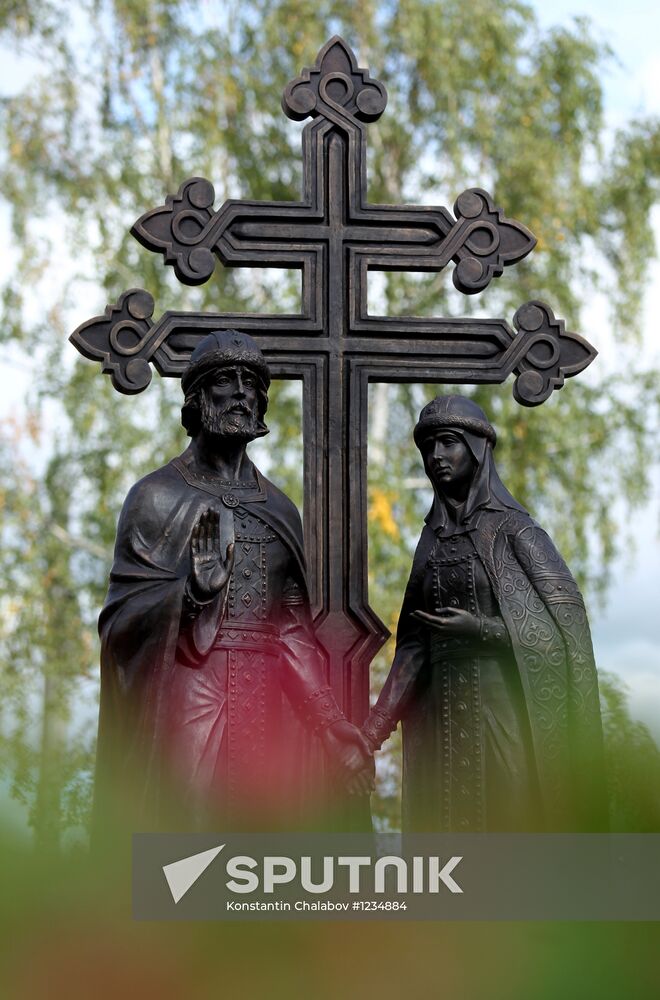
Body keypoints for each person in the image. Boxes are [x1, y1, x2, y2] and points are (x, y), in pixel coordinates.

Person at [94, 329, 373, 832]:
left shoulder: (279, 509)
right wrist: (191, 595)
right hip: (190, 704)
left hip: (265, 703)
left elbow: (291, 630)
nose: (243, 392)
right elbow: (120, 625)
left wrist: (330, 722)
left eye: (254, 383)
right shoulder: (155, 498)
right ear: (198, 400)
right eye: (227, 380)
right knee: (189, 849)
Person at [362, 395, 607, 832]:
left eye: (448, 443)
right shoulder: (431, 542)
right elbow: (413, 646)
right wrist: (373, 732)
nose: (437, 456)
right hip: (443, 719)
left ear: (477, 450)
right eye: (429, 446)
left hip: (504, 715)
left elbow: (565, 636)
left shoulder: (518, 532)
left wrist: (483, 629)